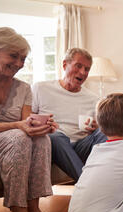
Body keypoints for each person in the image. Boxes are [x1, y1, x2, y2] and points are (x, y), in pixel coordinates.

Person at [0, 27, 58, 212]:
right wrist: (16, 126)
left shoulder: (24, 88)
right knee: (19, 137)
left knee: (42, 139)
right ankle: (18, 211)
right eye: (13, 56)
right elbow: (18, 127)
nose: (18, 63)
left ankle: (34, 208)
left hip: (10, 137)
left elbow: (25, 122)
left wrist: (42, 126)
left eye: (23, 58)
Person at [32, 48, 107, 182]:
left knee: (105, 132)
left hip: (80, 146)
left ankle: (114, 182)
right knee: (56, 137)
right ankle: (88, 184)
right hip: (53, 145)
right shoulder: (41, 88)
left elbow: (96, 132)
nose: (83, 72)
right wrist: (42, 125)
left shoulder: (93, 99)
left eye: (87, 69)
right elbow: (28, 119)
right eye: (78, 66)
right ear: (65, 65)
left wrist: (96, 128)